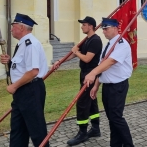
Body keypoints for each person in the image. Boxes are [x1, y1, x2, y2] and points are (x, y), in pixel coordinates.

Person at [0, 13, 49, 147]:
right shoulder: (22, 44)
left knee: (37, 130)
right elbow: (22, 67)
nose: (11, 29)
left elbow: (33, 71)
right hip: (23, 91)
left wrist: (14, 86)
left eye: (13, 26)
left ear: (21, 28)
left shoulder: (30, 44)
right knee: (18, 129)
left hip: (30, 90)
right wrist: (9, 62)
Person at [84, 18, 134, 147]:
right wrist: (96, 85)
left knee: (116, 118)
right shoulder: (109, 44)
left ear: (115, 28)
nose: (104, 31)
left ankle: (129, 145)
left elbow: (110, 62)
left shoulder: (122, 44)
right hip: (107, 86)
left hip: (118, 86)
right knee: (112, 119)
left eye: (106, 28)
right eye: (103, 29)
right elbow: (104, 67)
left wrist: (92, 73)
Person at [53, 16, 102, 146]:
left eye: (84, 24)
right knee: (91, 101)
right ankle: (96, 129)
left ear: (90, 26)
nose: (82, 27)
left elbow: (86, 58)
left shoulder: (95, 41)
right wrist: (60, 61)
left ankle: (82, 133)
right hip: (84, 73)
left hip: (91, 75)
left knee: (82, 102)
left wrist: (76, 51)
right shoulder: (87, 40)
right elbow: (75, 54)